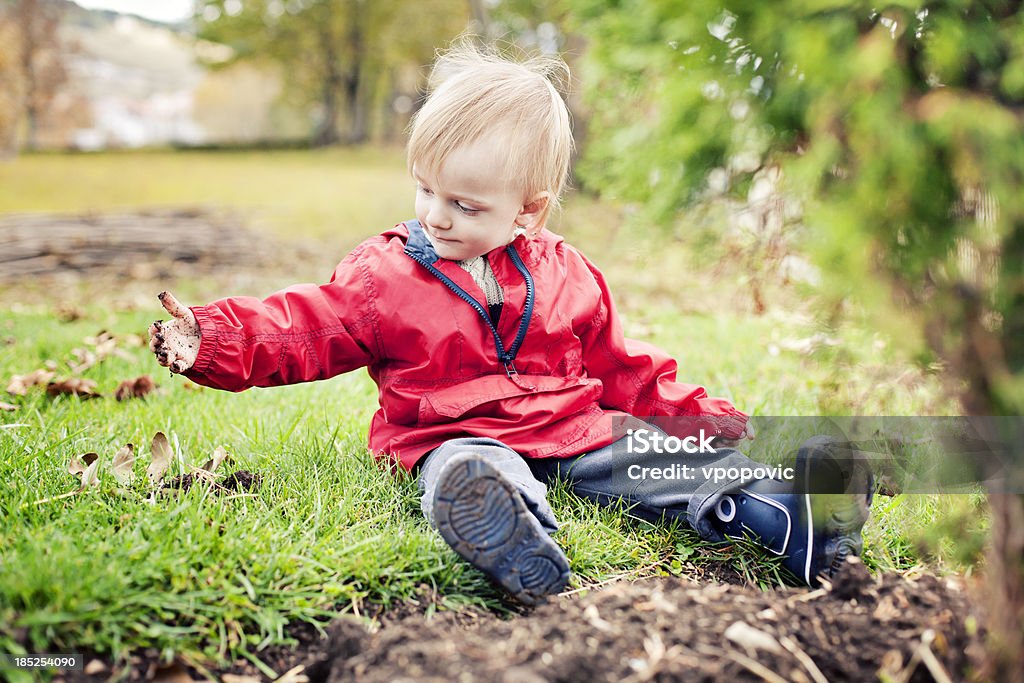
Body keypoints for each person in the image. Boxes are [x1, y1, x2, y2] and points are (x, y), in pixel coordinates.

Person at [149, 40, 871, 605]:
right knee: (469, 472)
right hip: (452, 433)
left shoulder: (568, 273)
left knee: (658, 458)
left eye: (464, 204)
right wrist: (212, 338)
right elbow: (305, 327)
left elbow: (629, 373)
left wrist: (718, 423)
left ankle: (789, 515)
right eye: (426, 189)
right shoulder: (386, 273)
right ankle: (509, 537)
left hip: (569, 428)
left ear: (529, 209)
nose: (436, 214)